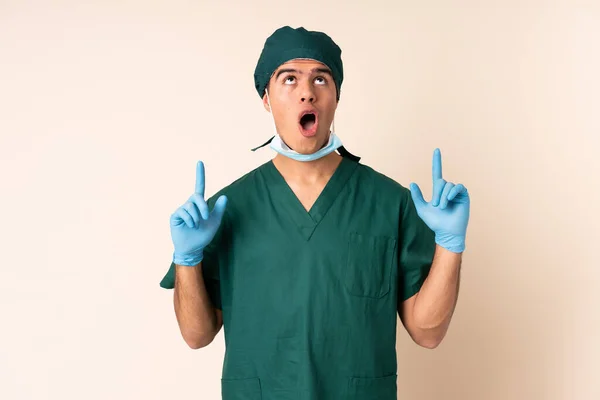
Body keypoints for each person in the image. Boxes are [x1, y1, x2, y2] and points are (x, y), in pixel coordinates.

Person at [159, 26, 470, 400]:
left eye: (320, 78)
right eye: (289, 78)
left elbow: (428, 333)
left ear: (336, 96)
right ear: (266, 98)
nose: (307, 91)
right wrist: (187, 258)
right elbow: (197, 336)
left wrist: (450, 245)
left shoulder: (390, 202)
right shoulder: (225, 210)